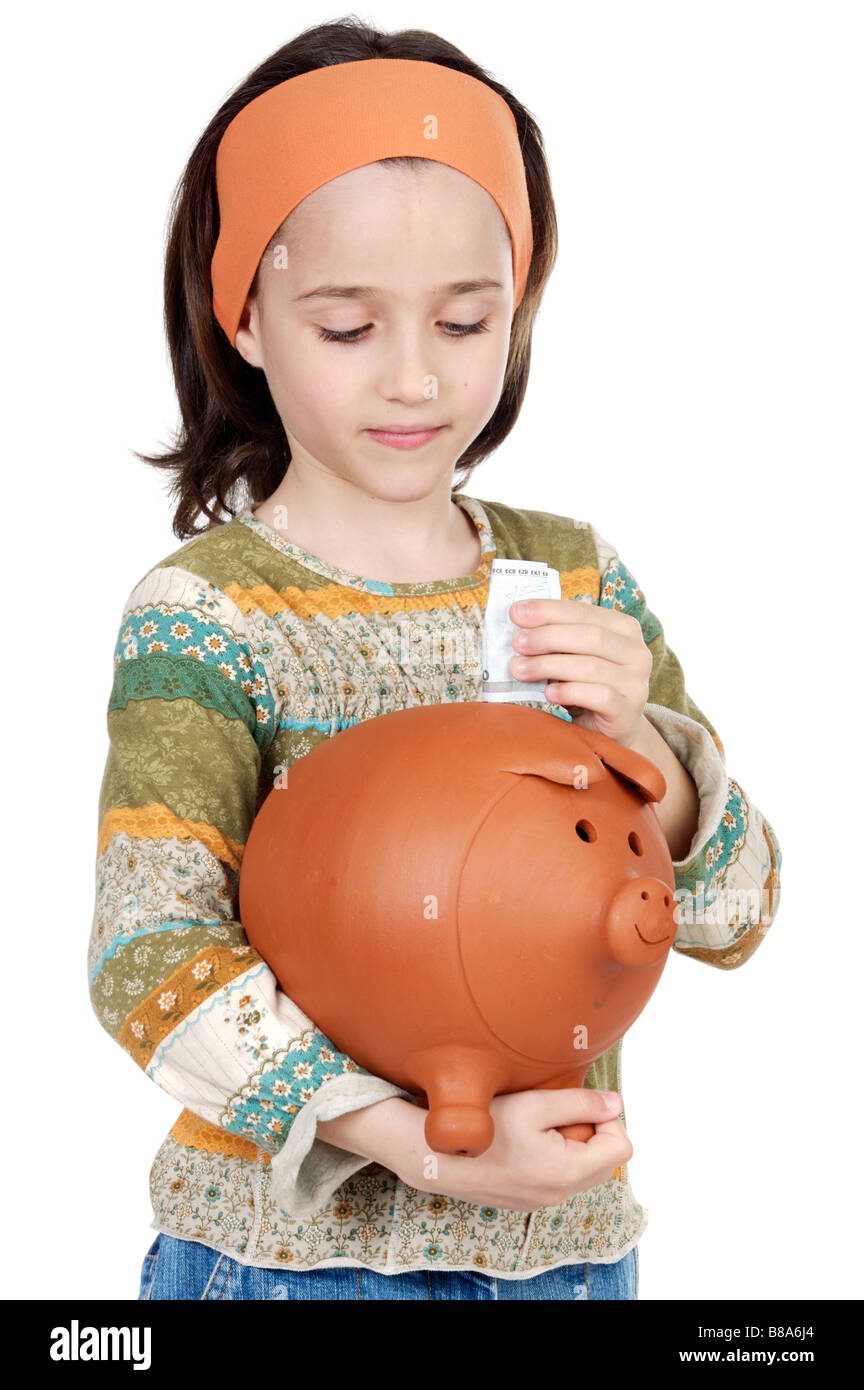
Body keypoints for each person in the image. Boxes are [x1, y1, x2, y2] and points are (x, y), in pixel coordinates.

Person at [90, 16, 782, 1302]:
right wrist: (413, 1144)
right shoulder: (209, 615)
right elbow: (148, 953)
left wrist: (647, 753)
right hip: (282, 1260)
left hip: (566, 1260)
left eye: (465, 323)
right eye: (347, 327)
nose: (414, 381)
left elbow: (739, 916)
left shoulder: (574, 577)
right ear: (241, 314)